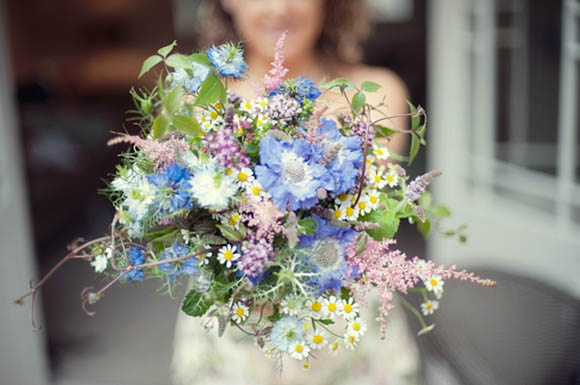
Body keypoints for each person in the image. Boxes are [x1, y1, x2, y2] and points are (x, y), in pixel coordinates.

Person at [171, 1, 420, 384]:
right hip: (233, 333)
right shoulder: (195, 101)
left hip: (344, 330)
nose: (279, 8)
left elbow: (370, 220)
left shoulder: (377, 94)